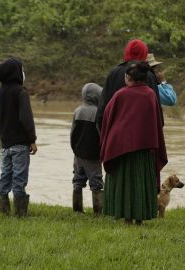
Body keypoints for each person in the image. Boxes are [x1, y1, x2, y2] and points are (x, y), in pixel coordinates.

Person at [100, 61, 168, 225]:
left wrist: (109, 140)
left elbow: (107, 118)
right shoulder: (150, 94)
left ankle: (127, 218)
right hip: (144, 149)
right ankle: (140, 218)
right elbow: (156, 122)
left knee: (124, 182)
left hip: (121, 148)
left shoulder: (121, 95)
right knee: (140, 182)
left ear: (129, 77)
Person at [0, 57, 37, 217]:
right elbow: (26, 118)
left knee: (5, 174)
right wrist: (32, 139)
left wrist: (4, 135)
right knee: (19, 176)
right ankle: (20, 213)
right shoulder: (21, 92)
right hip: (20, 144)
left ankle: (3, 209)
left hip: (5, 144)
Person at [95, 39, 163, 130]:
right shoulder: (149, 75)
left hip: (116, 134)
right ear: (144, 54)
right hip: (142, 134)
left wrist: (105, 137)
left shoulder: (114, 73)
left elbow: (102, 110)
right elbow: (157, 113)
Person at [70, 83, 104, 216]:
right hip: (93, 154)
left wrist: (75, 148)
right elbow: (101, 134)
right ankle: (98, 212)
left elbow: (73, 133)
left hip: (78, 152)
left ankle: (77, 210)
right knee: (96, 182)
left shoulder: (77, 111)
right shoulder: (98, 113)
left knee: (78, 180)